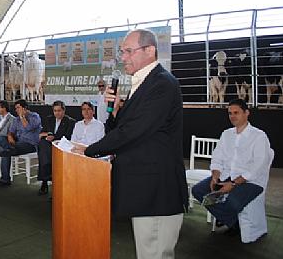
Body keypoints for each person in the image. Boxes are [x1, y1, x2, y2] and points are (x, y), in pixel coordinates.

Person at [73, 29, 188, 259]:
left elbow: (133, 132)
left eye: (128, 51)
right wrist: (114, 111)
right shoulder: (142, 83)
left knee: (154, 253)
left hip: (157, 191)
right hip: (144, 188)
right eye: (121, 51)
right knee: (146, 251)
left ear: (150, 51)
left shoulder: (163, 84)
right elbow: (124, 129)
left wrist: (91, 149)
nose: (123, 57)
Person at [192, 99, 274, 238]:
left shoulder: (259, 136)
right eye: (230, 113)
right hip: (226, 176)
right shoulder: (227, 134)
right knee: (198, 190)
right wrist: (215, 176)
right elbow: (217, 157)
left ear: (246, 113)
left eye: (236, 112)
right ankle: (232, 221)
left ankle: (226, 218)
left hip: (250, 180)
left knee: (233, 202)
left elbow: (258, 166)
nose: (232, 116)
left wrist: (234, 184)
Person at [0, 100, 42, 187]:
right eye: (15, 108)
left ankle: (5, 179)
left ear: (25, 108)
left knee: (5, 152)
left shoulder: (35, 116)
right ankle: (10, 149)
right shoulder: (16, 120)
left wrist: (22, 116)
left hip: (31, 144)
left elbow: (28, 127)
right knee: (0, 138)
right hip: (18, 143)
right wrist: (10, 136)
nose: (16, 110)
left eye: (18, 108)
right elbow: (11, 131)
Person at [37, 100, 76, 195]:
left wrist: (54, 137)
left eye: (59, 111)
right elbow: (43, 132)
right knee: (43, 145)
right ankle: (47, 178)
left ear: (64, 111)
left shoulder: (70, 121)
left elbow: (68, 137)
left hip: (61, 145)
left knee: (44, 153)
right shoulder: (49, 119)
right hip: (48, 144)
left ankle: (45, 180)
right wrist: (46, 135)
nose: (57, 113)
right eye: (55, 111)